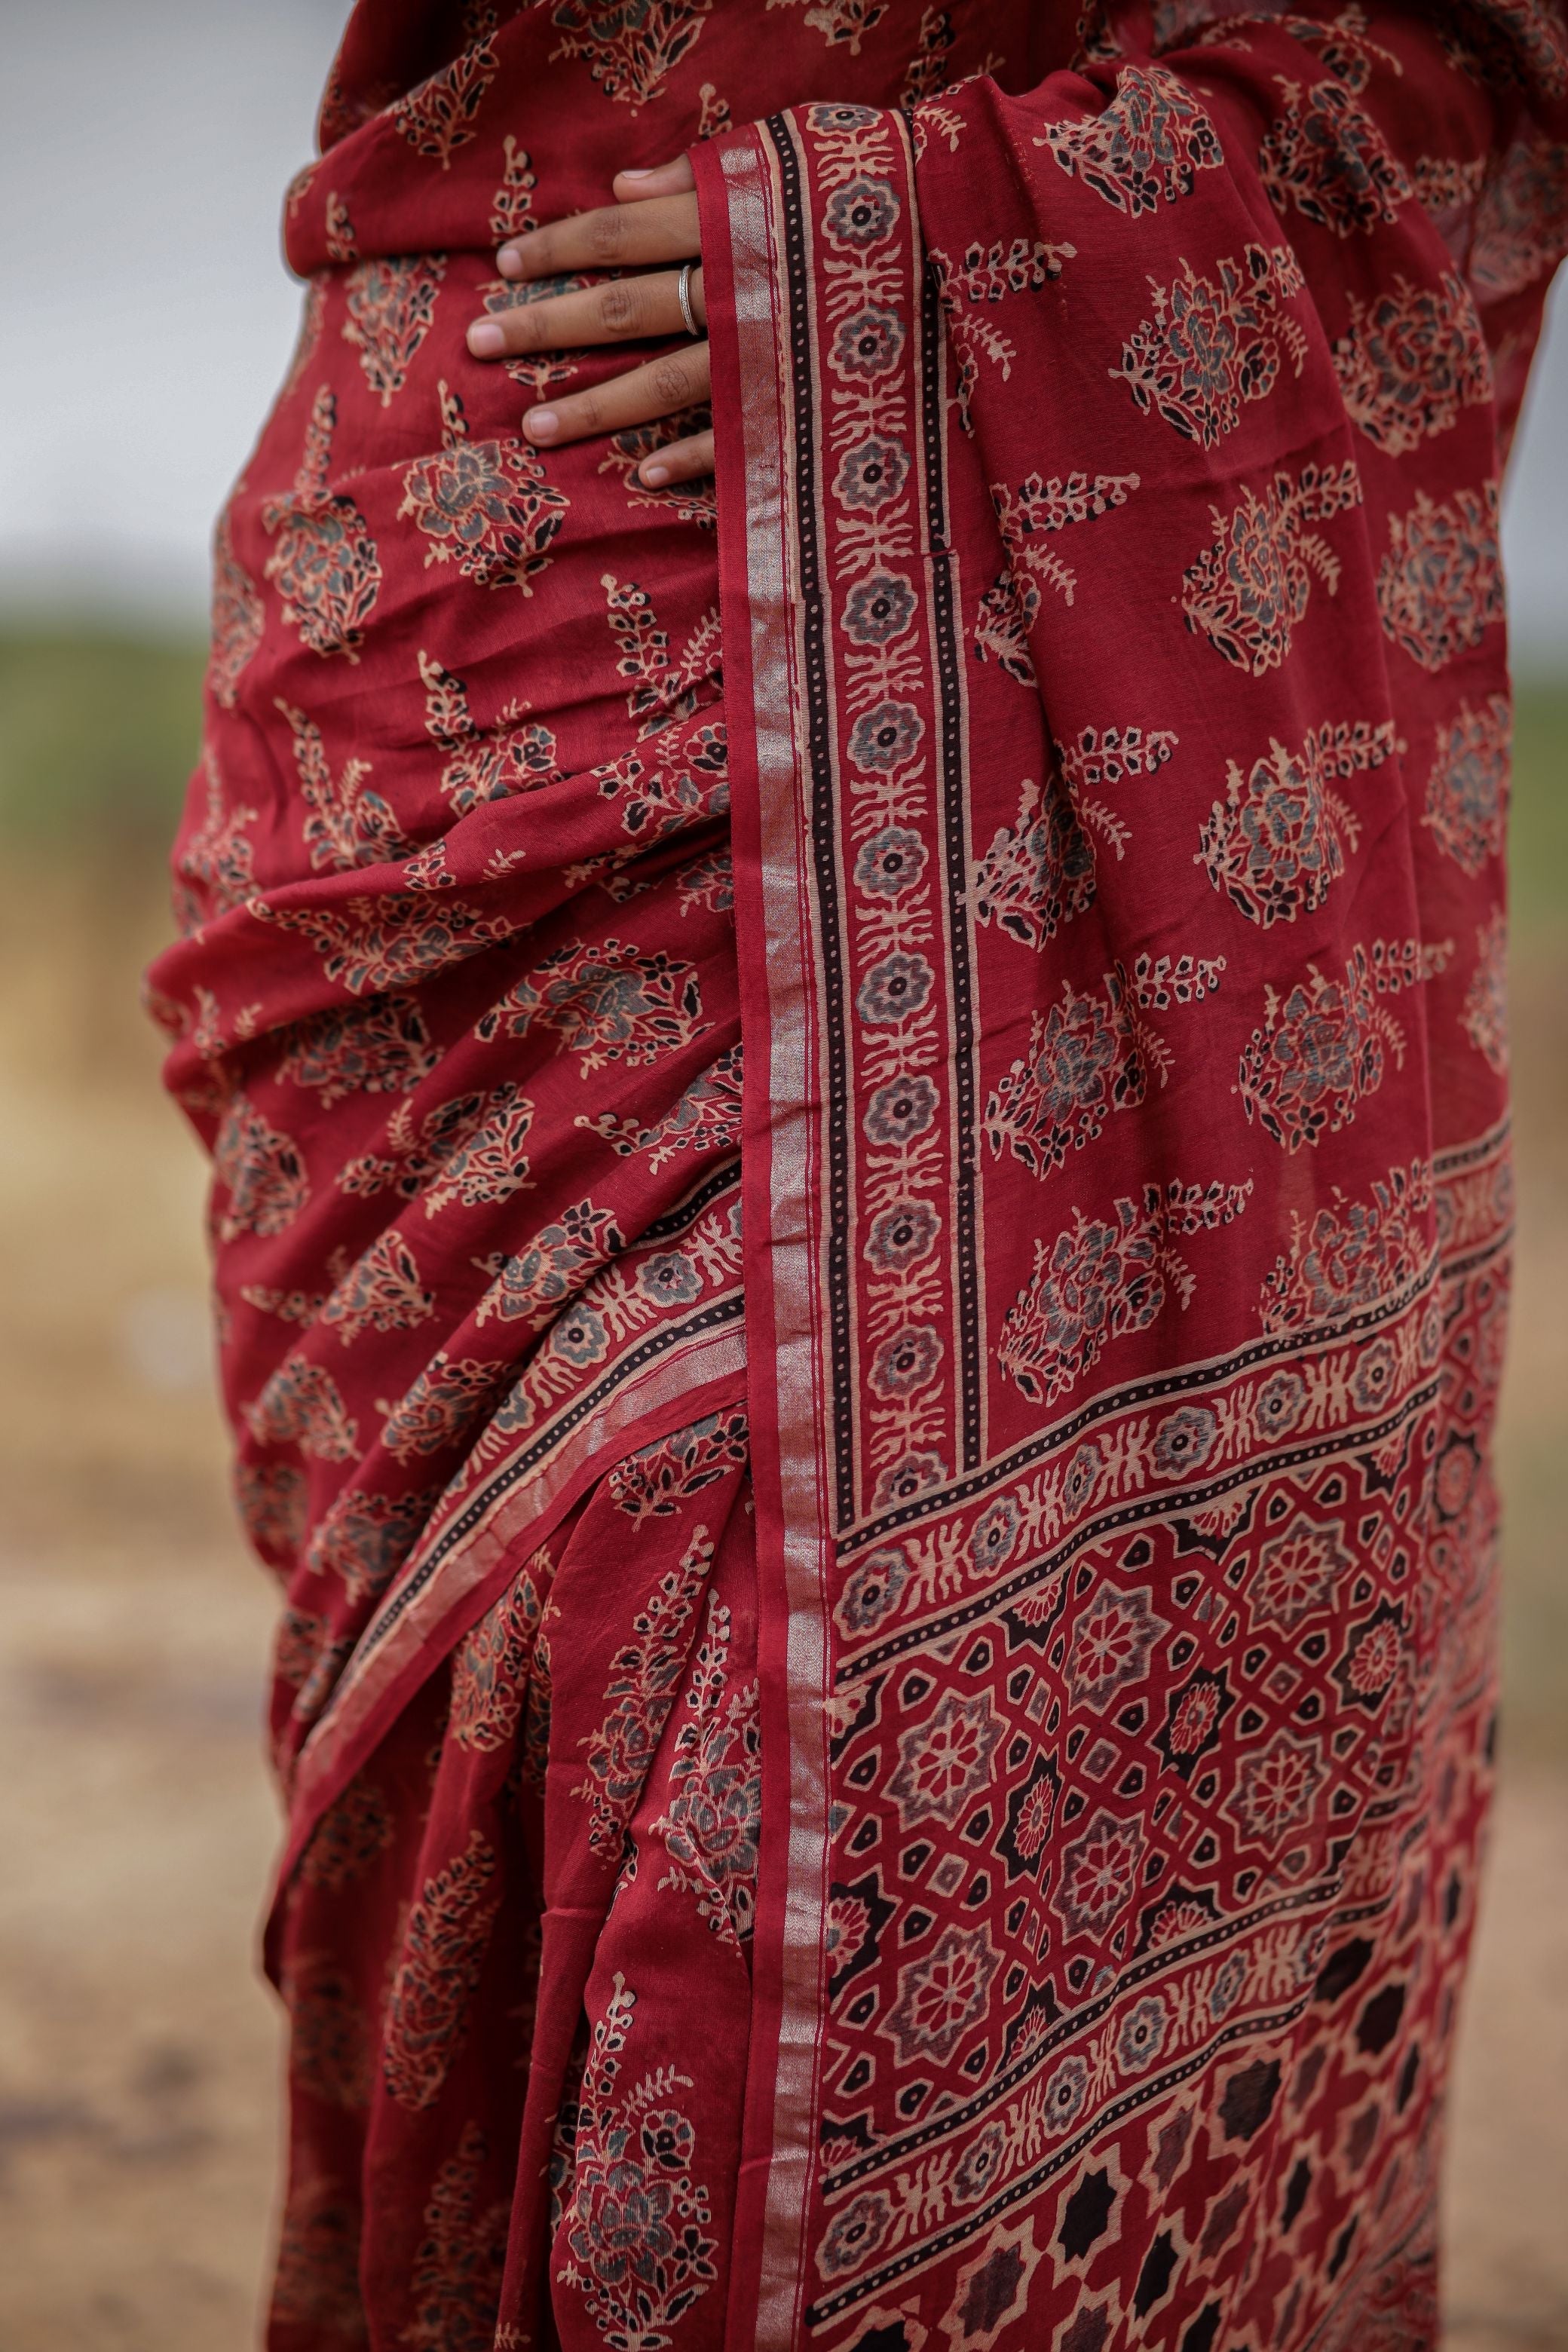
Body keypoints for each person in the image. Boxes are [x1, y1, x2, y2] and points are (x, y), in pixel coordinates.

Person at [148, 1, 1568, 2344]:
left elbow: (1447, 50)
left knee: (700, 1655)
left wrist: (915, 259)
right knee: (522, 1704)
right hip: (475, 660)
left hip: (930, 541)